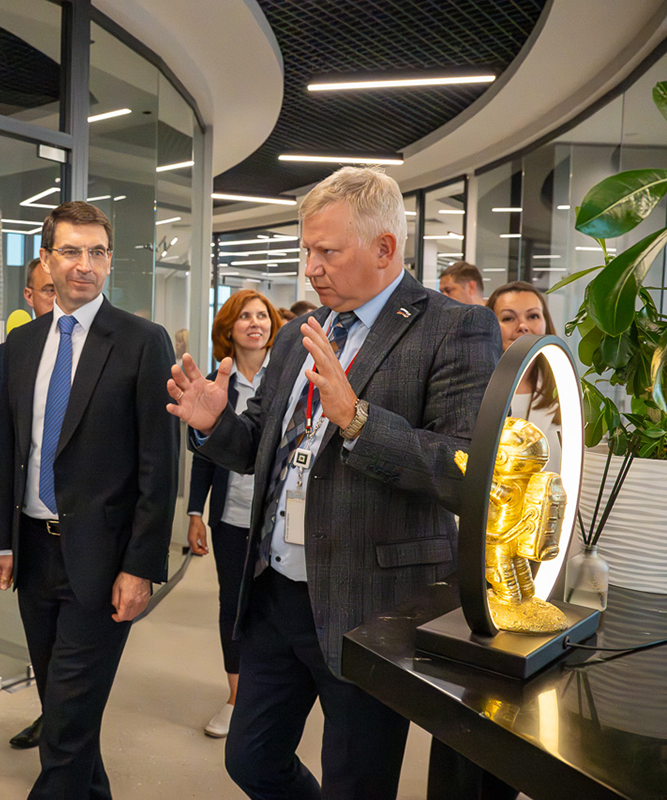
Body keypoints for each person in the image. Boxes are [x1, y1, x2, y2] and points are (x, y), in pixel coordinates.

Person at [167, 166, 501, 799]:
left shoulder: (454, 328)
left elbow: (463, 470)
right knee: (251, 759)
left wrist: (357, 420)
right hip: (275, 593)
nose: (310, 269)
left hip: (371, 602)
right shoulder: (303, 333)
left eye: (327, 252)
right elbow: (260, 445)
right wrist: (215, 425)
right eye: (306, 251)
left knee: (357, 781)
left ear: (384, 248)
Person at [0, 200, 178, 798]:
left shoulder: (142, 342)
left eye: (97, 252)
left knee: (67, 725)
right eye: (71, 251)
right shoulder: (20, 346)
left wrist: (141, 566)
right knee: (63, 706)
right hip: (34, 552)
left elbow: (159, 466)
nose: (85, 264)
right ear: (47, 260)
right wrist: (1, 540)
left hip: (103, 559)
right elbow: (9, 452)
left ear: (109, 261)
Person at [186, 289, 282, 738]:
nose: (255, 323)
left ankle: (271, 694)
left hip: (278, 520)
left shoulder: (288, 377)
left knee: (276, 607)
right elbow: (205, 456)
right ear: (229, 328)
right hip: (231, 517)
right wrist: (195, 511)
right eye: (245, 316)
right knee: (233, 604)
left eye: (262, 315)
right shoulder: (214, 383)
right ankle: (236, 696)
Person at [0, 258, 56, 750]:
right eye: (47, 290)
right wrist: (2, 541)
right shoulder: (13, 352)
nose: (57, 297)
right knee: (43, 645)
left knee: (76, 658)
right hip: (31, 527)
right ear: (28, 297)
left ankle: (62, 736)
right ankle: (55, 720)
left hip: (86, 528)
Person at [487, 281, 561, 471]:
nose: (522, 326)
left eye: (533, 316)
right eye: (508, 318)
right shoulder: (477, 389)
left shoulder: (565, 388)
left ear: (546, 323)